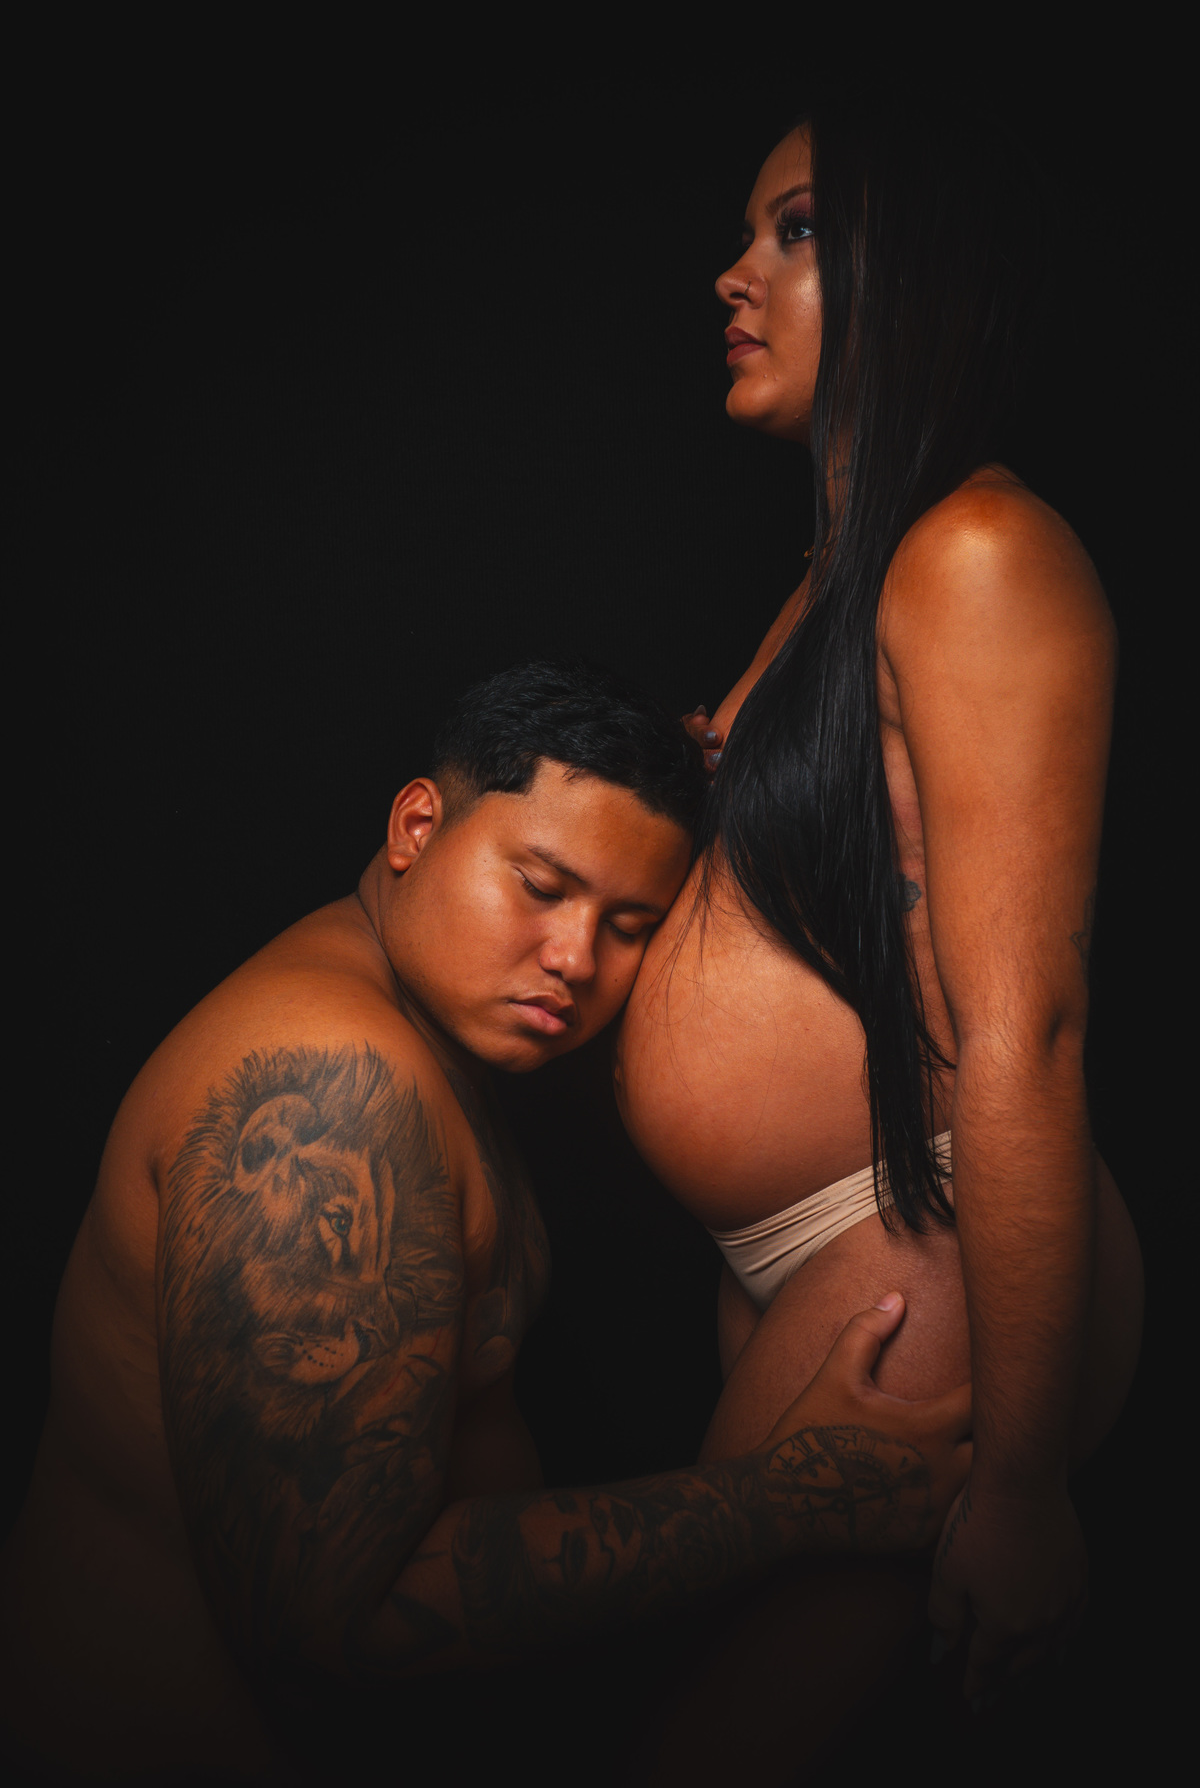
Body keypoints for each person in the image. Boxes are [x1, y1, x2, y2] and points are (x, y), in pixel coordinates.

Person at [0, 660, 971, 1785]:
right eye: (541, 886)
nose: (575, 959)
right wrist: (792, 1500)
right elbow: (340, 1620)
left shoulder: (407, 1032)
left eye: (629, 924)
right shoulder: (329, 1088)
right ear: (417, 827)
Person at [615, 89, 1144, 1757]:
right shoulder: (837, 575)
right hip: (822, 1259)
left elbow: (1026, 1025)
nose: (733, 275)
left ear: (914, 270)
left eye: (793, 233)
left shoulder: (980, 552)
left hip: (924, 1263)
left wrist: (1025, 1485)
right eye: (744, 234)